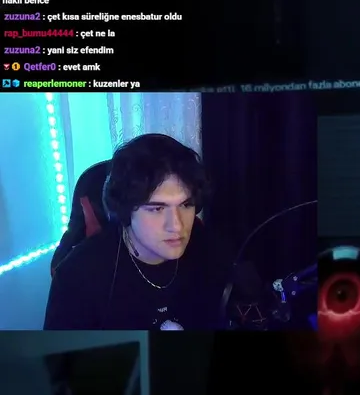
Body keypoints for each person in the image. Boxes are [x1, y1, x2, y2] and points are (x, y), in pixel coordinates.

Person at [44, 133, 233, 331]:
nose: (177, 226)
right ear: (125, 211)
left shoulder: (209, 251)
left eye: (186, 205)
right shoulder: (77, 277)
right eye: (157, 209)